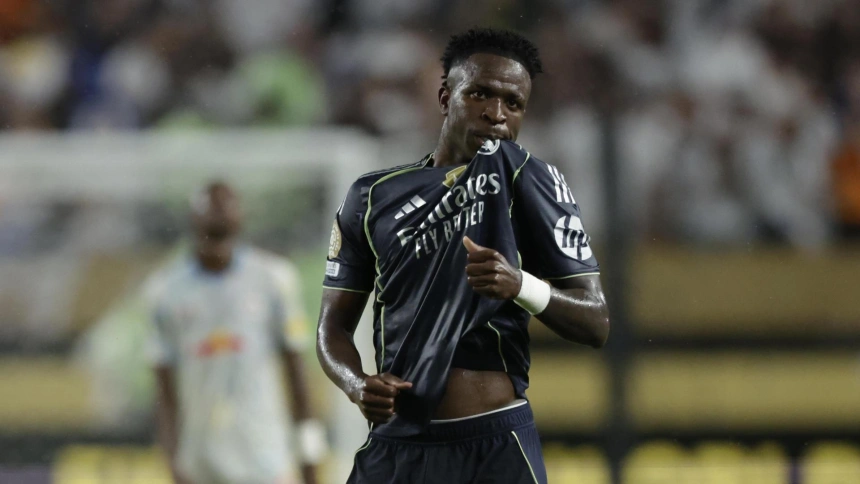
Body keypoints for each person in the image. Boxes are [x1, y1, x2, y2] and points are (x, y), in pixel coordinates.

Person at [317, 28, 610, 484]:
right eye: (480, 94)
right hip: (398, 445)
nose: (496, 114)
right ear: (444, 97)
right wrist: (356, 384)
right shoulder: (371, 196)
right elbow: (332, 326)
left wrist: (521, 286)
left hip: (491, 447)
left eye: (513, 104)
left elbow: (596, 321)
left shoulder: (530, 178)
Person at [147, 181, 325, 484]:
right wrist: (173, 461)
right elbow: (165, 392)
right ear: (193, 221)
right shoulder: (165, 291)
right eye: (210, 216)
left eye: (226, 216)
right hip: (201, 464)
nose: (218, 223)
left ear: (240, 220)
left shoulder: (273, 279)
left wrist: (310, 458)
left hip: (265, 460)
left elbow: (297, 377)